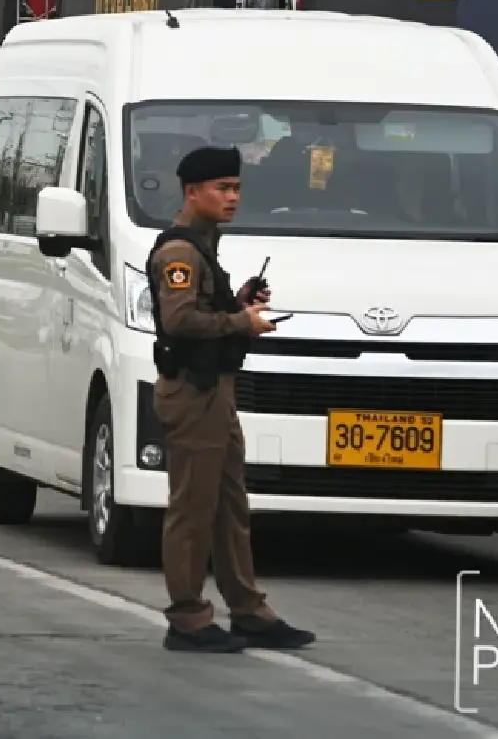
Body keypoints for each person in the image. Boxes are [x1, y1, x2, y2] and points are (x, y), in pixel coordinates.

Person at [146, 145, 314, 654]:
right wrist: (242, 322)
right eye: (222, 188)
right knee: (193, 510)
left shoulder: (203, 246)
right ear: (192, 192)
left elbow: (201, 311)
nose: (233, 197)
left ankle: (248, 610)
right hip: (192, 394)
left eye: (237, 188)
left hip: (215, 392)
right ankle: (188, 618)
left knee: (229, 506)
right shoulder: (179, 252)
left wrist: (237, 300)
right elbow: (179, 320)